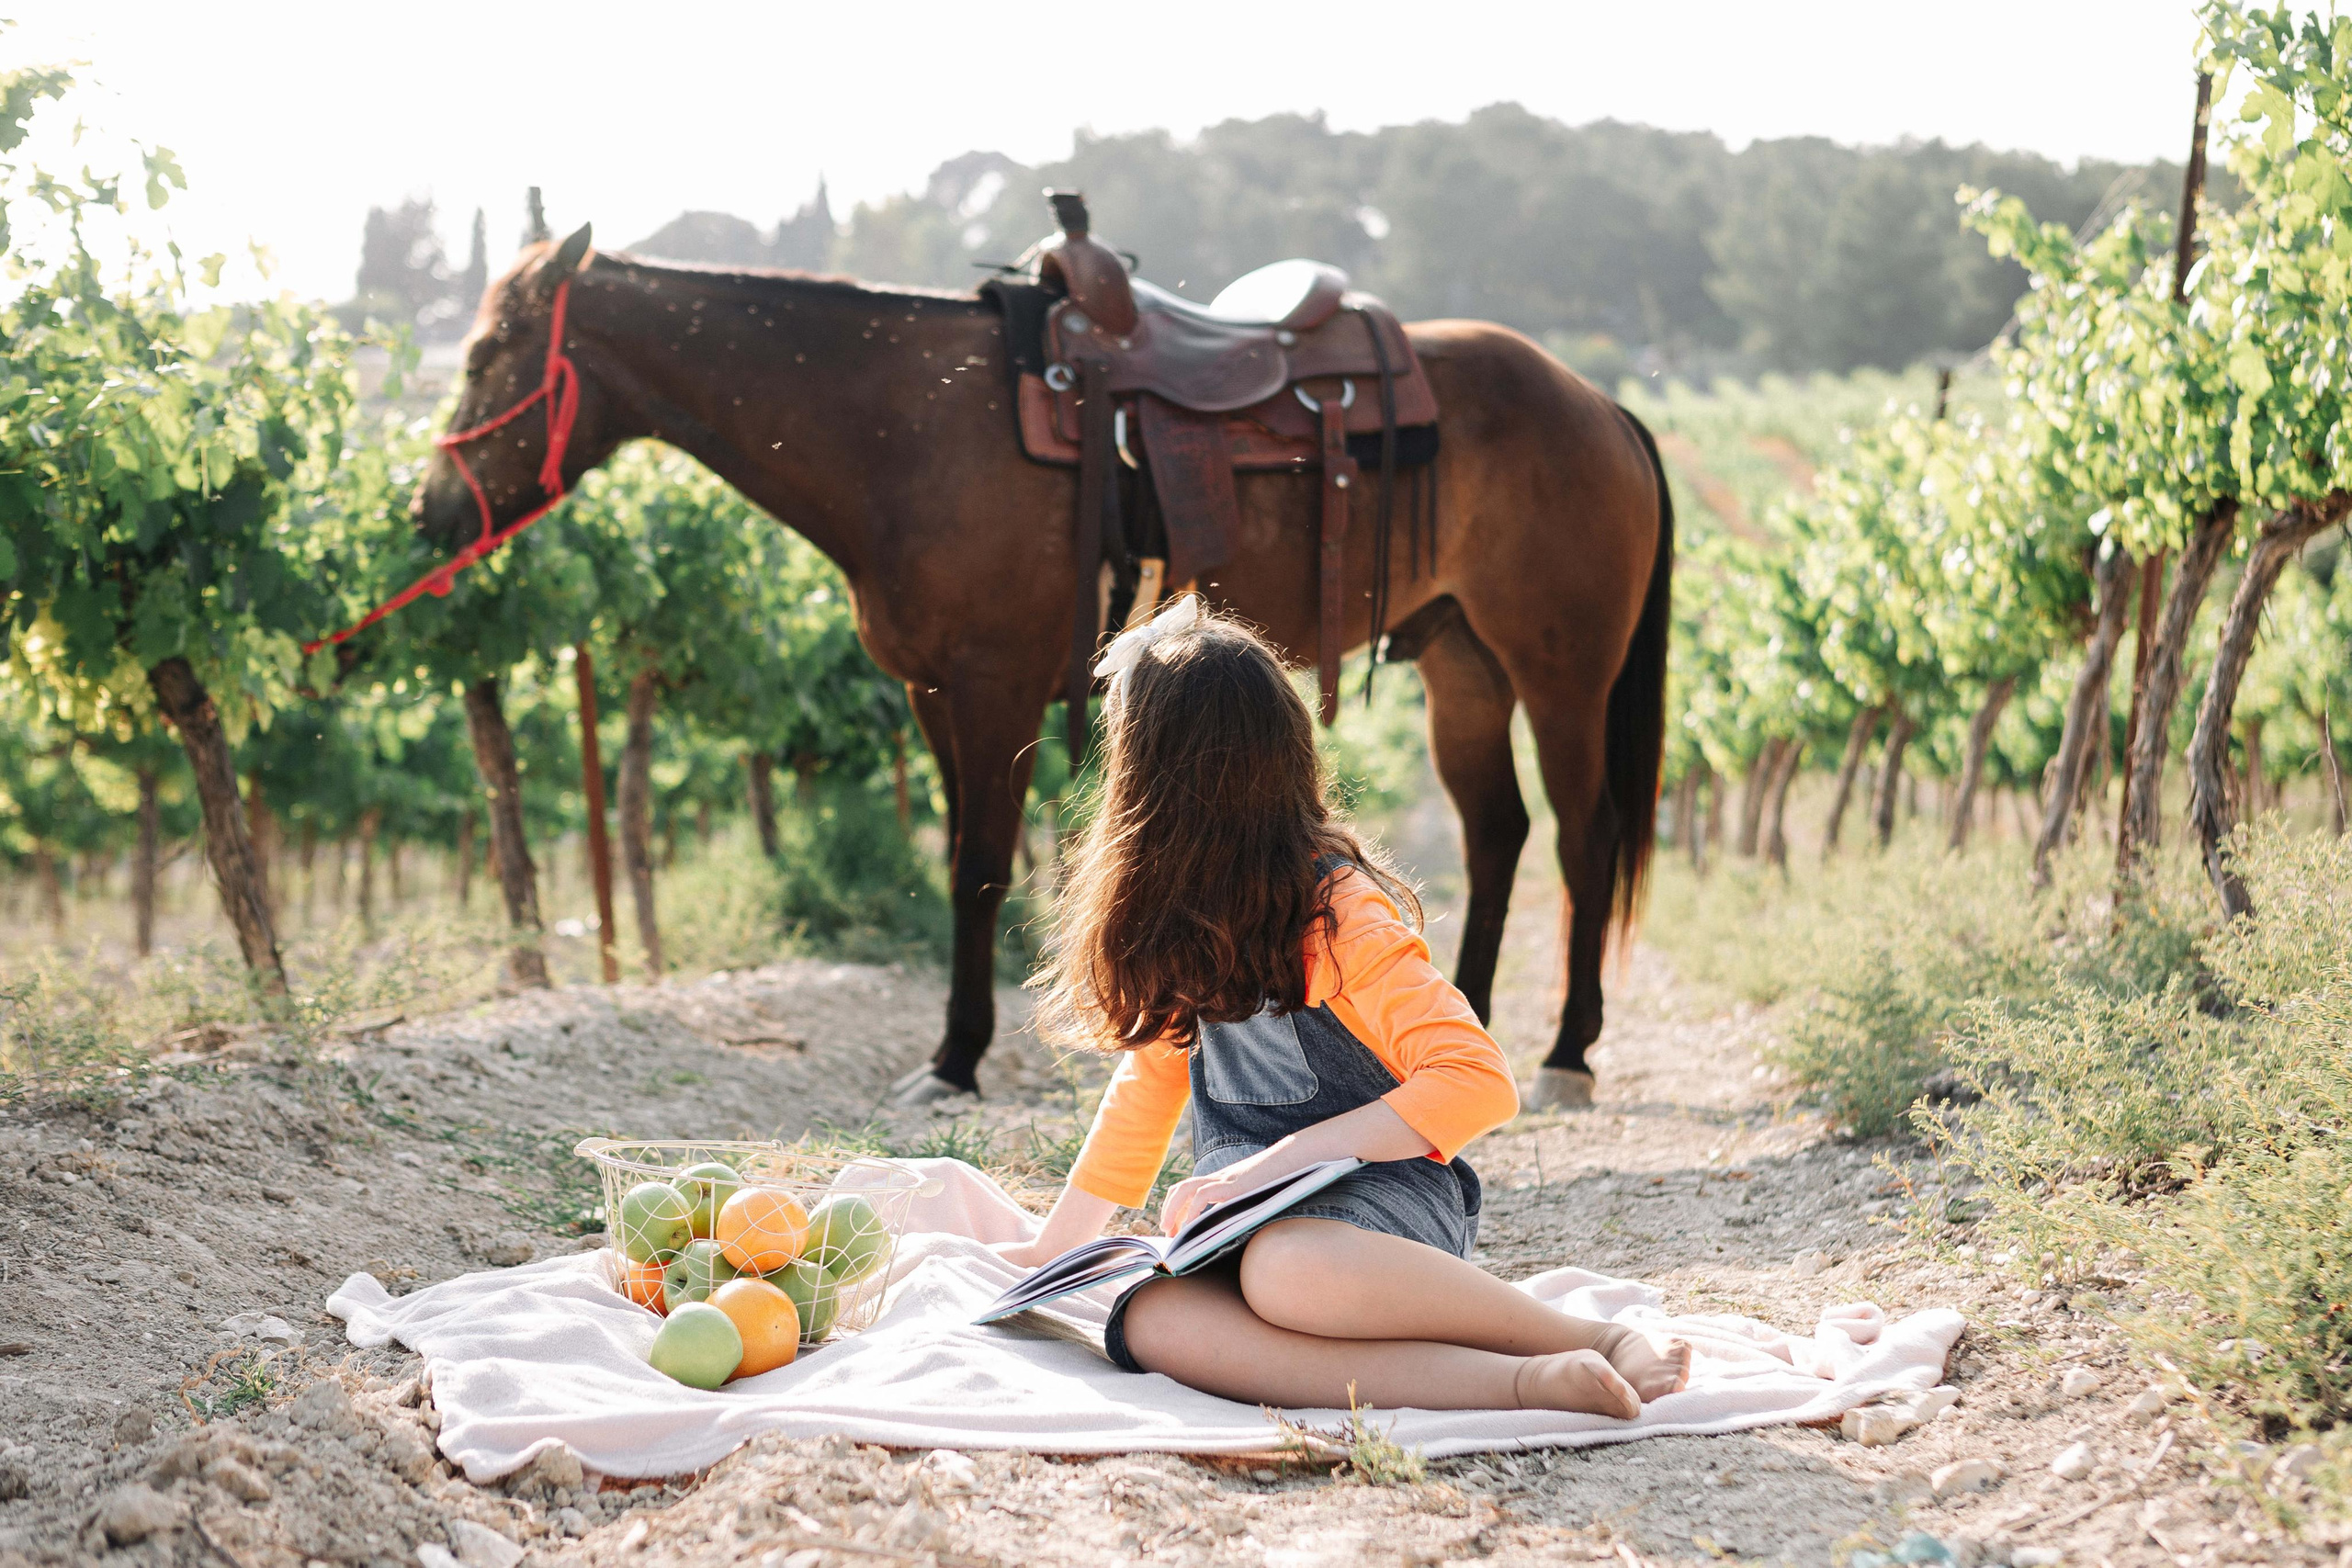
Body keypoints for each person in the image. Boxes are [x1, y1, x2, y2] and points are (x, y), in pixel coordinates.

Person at [997, 598, 1690, 1416]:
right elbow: (1146, 1093)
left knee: (1291, 1273)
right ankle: (1516, 1385)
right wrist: (1048, 1252)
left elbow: (1478, 1080)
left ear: (1162, 788)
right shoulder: (1178, 920)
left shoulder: (1339, 913)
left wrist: (1269, 1164)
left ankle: (1584, 1339)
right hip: (1247, 1227)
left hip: (1378, 1208)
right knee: (1149, 1320)